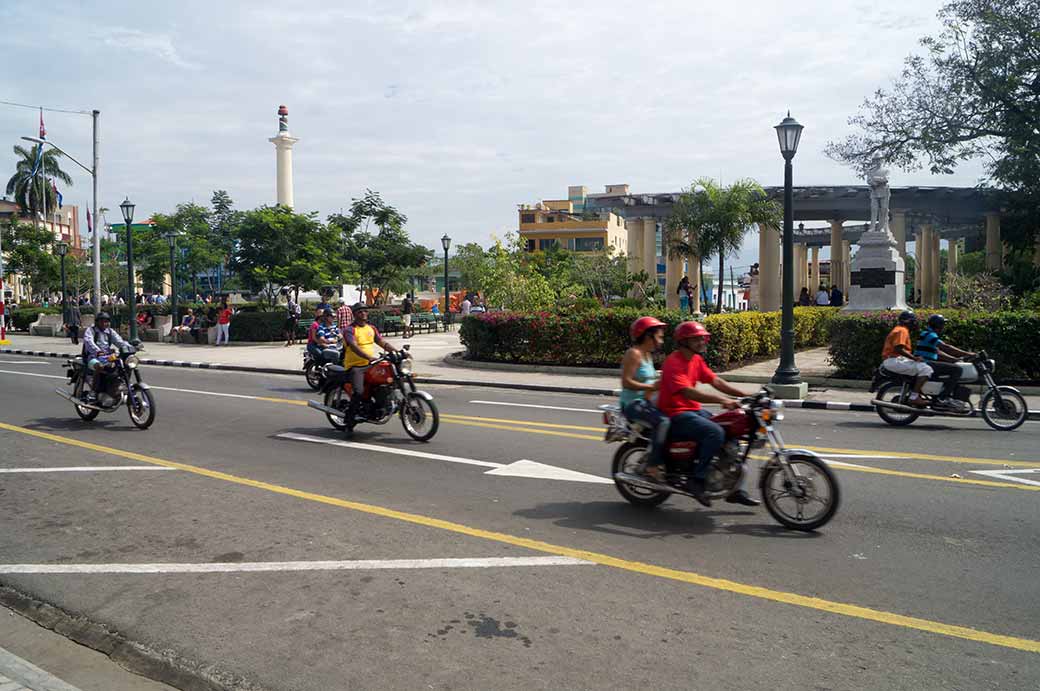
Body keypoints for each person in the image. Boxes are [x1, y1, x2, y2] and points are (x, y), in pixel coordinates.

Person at [656, 321, 759, 507]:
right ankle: (697, 479)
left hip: (692, 410)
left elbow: (715, 381)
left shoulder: (696, 360)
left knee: (732, 429)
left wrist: (745, 394)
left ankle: (733, 487)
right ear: (684, 341)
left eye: (703, 338)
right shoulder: (673, 362)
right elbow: (688, 392)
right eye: (697, 339)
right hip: (675, 414)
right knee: (715, 432)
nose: (702, 342)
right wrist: (722, 400)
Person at [619, 317, 669, 480]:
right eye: (659, 337)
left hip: (646, 401)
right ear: (648, 336)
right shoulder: (634, 354)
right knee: (663, 422)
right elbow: (626, 382)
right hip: (633, 404)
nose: (661, 341)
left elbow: (649, 380)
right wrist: (651, 387)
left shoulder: (647, 356)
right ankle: (652, 466)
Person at [342, 304, 398, 431]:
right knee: (359, 392)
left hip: (370, 365)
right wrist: (369, 357)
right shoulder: (349, 330)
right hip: (355, 366)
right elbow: (353, 346)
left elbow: (381, 342)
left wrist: (397, 352)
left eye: (365, 311)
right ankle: (349, 419)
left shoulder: (371, 328)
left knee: (386, 380)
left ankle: (380, 405)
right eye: (360, 311)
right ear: (355, 314)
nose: (364, 313)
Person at [914, 314, 975, 406]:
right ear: (938, 325)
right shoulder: (930, 335)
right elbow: (945, 347)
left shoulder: (926, 334)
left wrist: (955, 359)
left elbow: (938, 352)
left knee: (953, 367)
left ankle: (943, 394)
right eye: (943, 324)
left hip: (927, 363)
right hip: (926, 363)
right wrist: (968, 354)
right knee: (957, 369)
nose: (943, 327)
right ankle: (942, 398)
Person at [881, 311, 931, 407]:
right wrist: (914, 358)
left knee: (922, 368)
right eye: (913, 321)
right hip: (894, 360)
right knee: (926, 369)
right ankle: (914, 397)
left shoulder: (900, 329)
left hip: (894, 360)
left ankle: (916, 392)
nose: (915, 324)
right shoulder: (902, 330)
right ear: (907, 321)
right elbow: (898, 348)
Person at [81, 312, 128, 403]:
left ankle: (117, 387)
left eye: (106, 321)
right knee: (100, 366)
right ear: (97, 322)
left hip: (107, 357)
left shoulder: (110, 331)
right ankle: (93, 392)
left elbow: (120, 342)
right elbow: (88, 342)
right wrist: (98, 351)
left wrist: (129, 347)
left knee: (123, 366)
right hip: (92, 357)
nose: (104, 323)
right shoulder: (91, 330)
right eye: (101, 321)